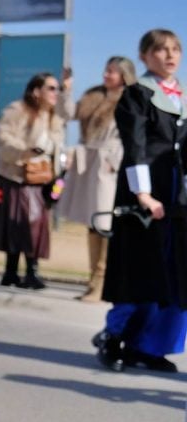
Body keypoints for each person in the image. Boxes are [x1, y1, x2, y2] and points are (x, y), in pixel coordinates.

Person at [98, 29, 186, 373]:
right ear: (145, 56)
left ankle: (150, 347)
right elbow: (136, 146)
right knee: (140, 269)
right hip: (145, 190)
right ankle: (115, 337)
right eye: (161, 49)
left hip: (178, 194)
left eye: (176, 49)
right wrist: (143, 194)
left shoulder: (183, 96)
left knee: (175, 274)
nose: (170, 55)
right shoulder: (137, 94)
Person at [56, 57, 137, 301]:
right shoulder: (93, 95)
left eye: (112, 71)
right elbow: (67, 114)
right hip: (89, 162)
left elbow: (134, 135)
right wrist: (66, 90)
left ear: (124, 75)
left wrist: (116, 161)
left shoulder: (130, 99)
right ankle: (94, 280)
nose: (106, 74)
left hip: (108, 165)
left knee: (104, 222)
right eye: (106, 70)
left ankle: (103, 282)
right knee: (93, 222)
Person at [0, 73, 67, 290]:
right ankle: (12, 272)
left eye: (58, 88)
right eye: (51, 88)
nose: (55, 93)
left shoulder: (54, 118)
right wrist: (25, 151)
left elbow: (57, 148)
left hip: (43, 180)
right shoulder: (17, 111)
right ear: (36, 91)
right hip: (16, 177)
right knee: (15, 225)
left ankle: (31, 271)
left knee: (36, 226)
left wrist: (60, 167)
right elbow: (2, 139)